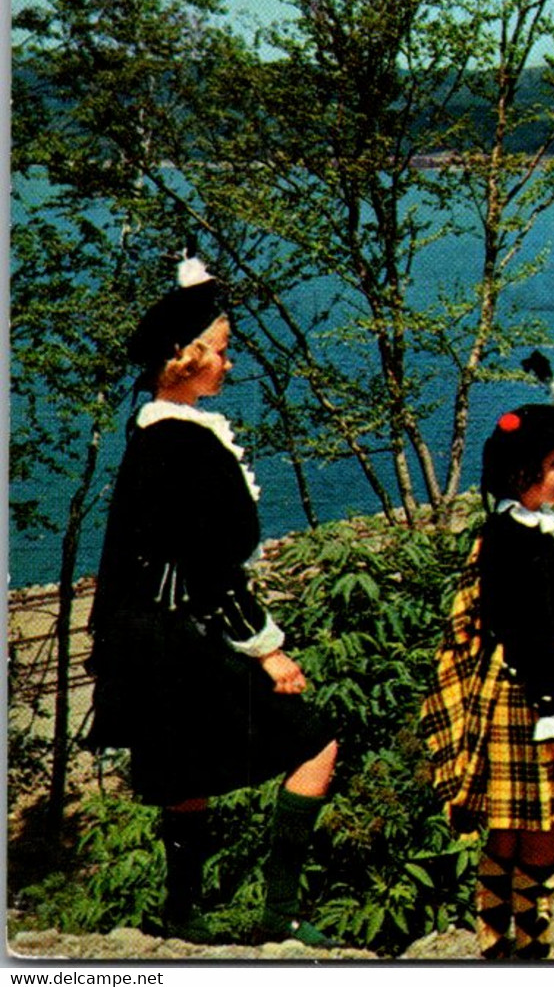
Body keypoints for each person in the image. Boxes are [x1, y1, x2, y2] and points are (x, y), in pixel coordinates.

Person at [86, 257, 340, 945]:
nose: (231, 365)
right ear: (188, 358)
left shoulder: (151, 434)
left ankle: (182, 916)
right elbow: (207, 565)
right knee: (316, 738)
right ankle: (279, 915)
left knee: (182, 772)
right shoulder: (184, 445)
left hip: (145, 633)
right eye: (223, 352)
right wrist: (269, 650)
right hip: (175, 631)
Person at [420, 402, 554, 960]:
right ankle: (533, 948)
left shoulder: (503, 532)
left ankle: (496, 944)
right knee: (546, 825)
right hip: (534, 700)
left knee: (508, 824)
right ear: (523, 474)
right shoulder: (525, 544)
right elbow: (533, 635)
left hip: (507, 695)